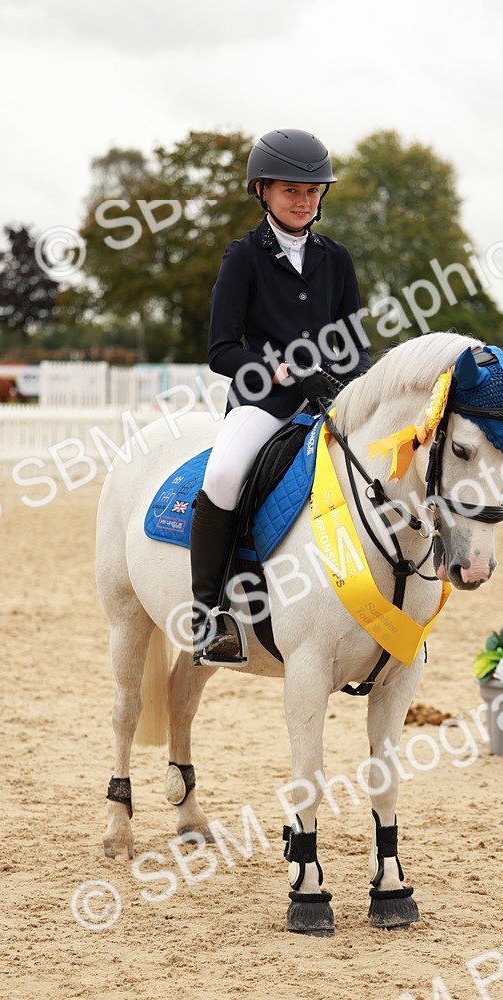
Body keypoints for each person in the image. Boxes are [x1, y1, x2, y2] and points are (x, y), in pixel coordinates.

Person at [191, 128, 372, 665]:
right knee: (223, 475)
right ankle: (209, 617)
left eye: (313, 191)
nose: (304, 201)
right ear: (262, 191)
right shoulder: (243, 256)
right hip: (262, 402)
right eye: (291, 190)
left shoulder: (336, 258)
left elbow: (354, 345)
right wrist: (284, 371)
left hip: (329, 400)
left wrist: (353, 384)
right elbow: (221, 350)